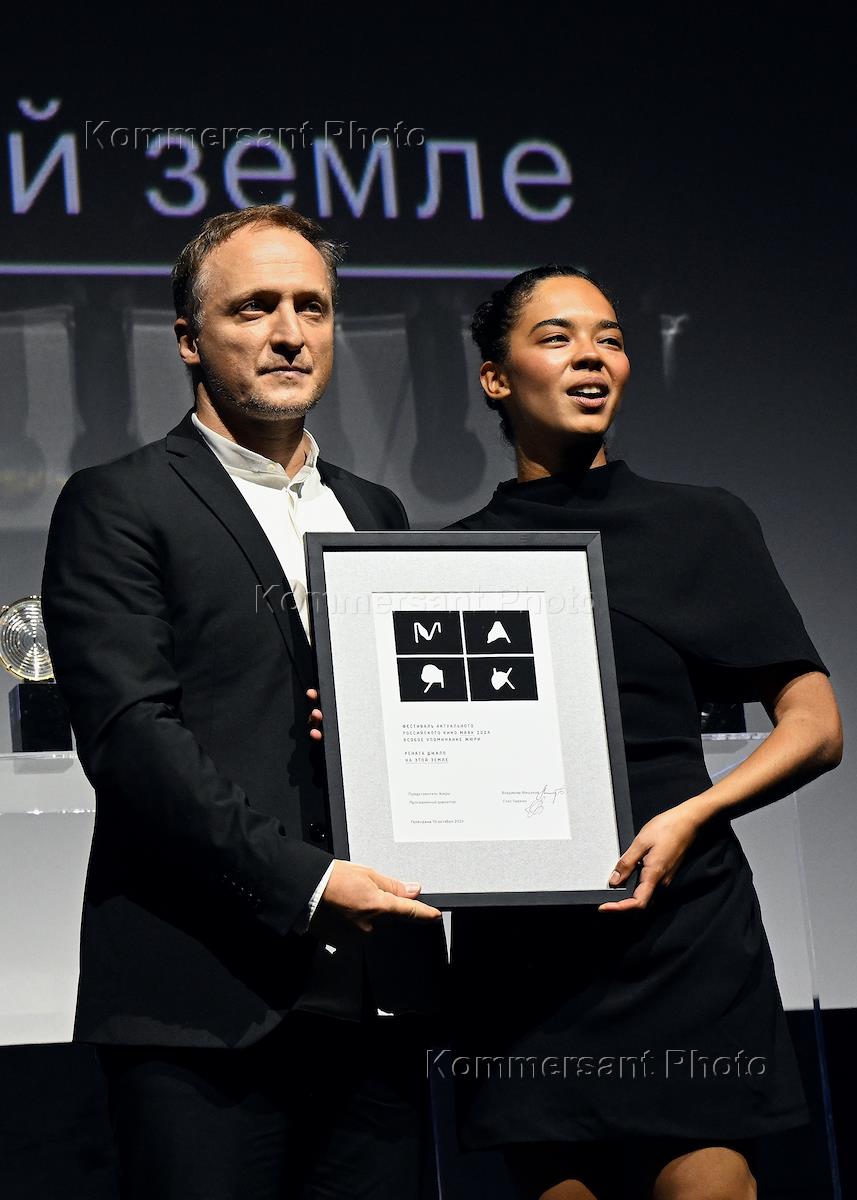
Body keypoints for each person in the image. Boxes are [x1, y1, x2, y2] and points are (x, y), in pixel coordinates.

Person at [41, 205, 446, 1200]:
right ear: (189, 338)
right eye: (254, 307)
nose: (290, 333)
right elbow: (132, 741)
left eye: (313, 307)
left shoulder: (376, 512)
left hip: (372, 1000)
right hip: (200, 1004)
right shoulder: (118, 501)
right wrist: (311, 881)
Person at [448, 265, 843, 1200]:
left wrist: (693, 814)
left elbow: (815, 725)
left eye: (610, 339)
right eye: (556, 337)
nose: (590, 356)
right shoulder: (447, 557)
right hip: (525, 941)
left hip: (682, 919)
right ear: (495, 377)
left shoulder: (700, 523)